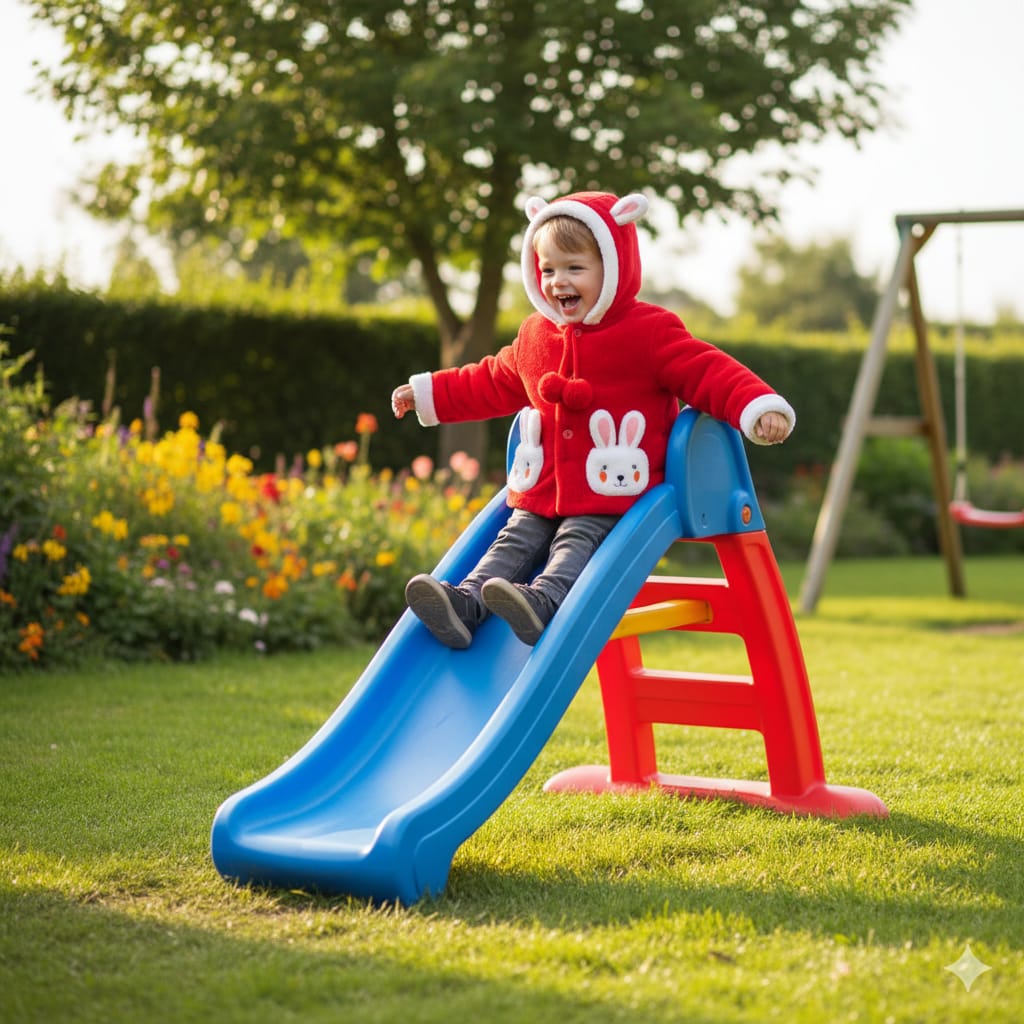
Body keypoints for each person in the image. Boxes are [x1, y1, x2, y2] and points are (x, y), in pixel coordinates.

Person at [391, 190, 794, 649]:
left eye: (574, 268)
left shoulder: (648, 331)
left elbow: (707, 371)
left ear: (614, 267)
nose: (558, 281)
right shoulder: (534, 336)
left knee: (577, 541)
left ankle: (545, 599)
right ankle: (467, 603)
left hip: (612, 493)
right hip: (542, 490)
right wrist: (428, 394)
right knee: (513, 539)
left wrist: (757, 406)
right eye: (547, 270)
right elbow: (490, 381)